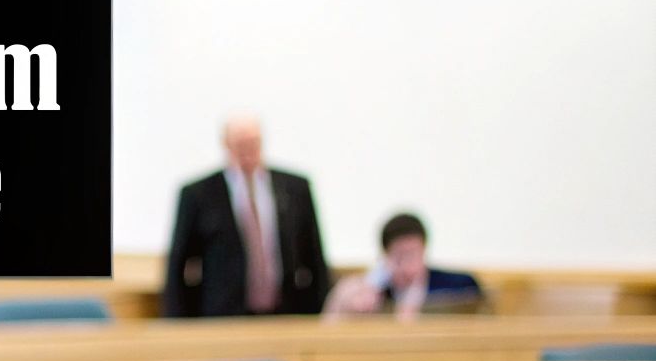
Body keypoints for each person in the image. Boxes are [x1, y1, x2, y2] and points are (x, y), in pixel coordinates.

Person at [162, 116, 332, 317]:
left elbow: (314, 253)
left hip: (285, 312)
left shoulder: (295, 188)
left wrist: (322, 309)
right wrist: (177, 319)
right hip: (223, 314)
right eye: (240, 144)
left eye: (253, 143)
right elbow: (178, 262)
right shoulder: (199, 194)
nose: (248, 151)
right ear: (226, 144)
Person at [324, 212, 484, 318]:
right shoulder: (373, 292)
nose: (408, 267)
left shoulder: (458, 285)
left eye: (414, 255)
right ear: (385, 257)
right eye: (399, 257)